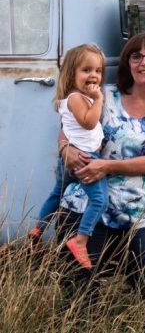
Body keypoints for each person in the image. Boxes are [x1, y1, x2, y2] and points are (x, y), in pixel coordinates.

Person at [59, 33, 145, 298]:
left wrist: (106, 167)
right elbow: (68, 130)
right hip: (85, 206)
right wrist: (66, 149)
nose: (144, 62)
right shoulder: (103, 96)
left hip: (134, 213)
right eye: (136, 56)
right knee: (78, 297)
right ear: (127, 63)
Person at [29, 44, 107, 270]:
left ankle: (38, 228)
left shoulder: (78, 97)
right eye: (86, 70)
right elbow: (89, 122)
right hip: (83, 159)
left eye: (98, 71)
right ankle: (80, 240)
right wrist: (99, 99)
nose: (93, 76)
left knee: (57, 193)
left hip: (71, 158)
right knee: (100, 200)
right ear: (71, 74)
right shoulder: (76, 98)